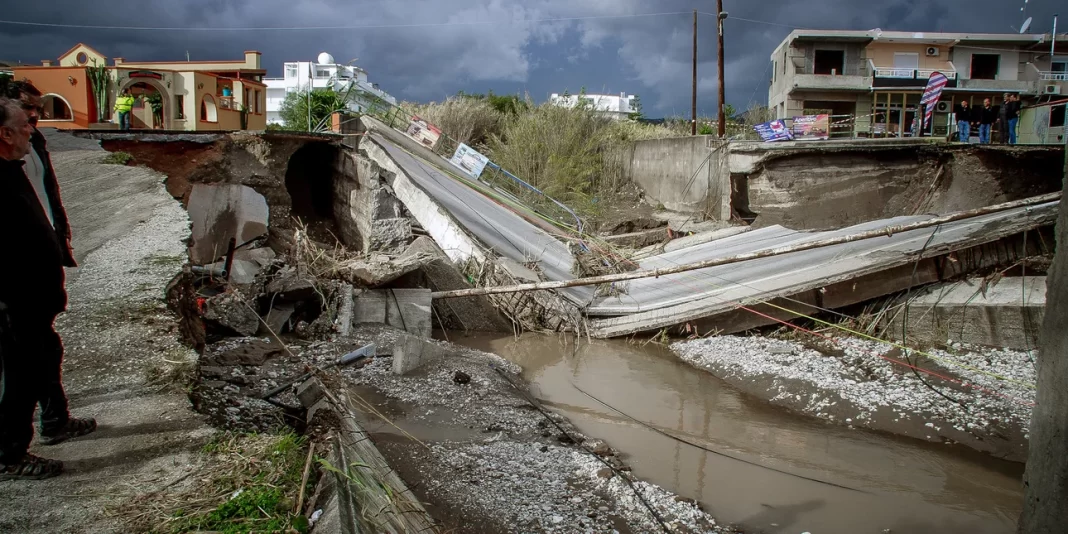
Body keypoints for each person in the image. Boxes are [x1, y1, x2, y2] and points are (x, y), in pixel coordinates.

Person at [6, 80, 94, 446]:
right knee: (20, 365)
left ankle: (56, 419)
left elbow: (46, 196)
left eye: (38, 111)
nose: (34, 119)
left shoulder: (31, 146)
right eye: (28, 110)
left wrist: (58, 238)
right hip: (15, 284)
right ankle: (10, 451)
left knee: (45, 350)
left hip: (39, 271)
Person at [0, 98, 67, 480]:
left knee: (43, 358)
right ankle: (9, 454)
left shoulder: (13, 168)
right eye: (26, 123)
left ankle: (55, 422)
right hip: (15, 302)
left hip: (34, 300)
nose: (32, 128)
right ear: (4, 133)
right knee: (18, 378)